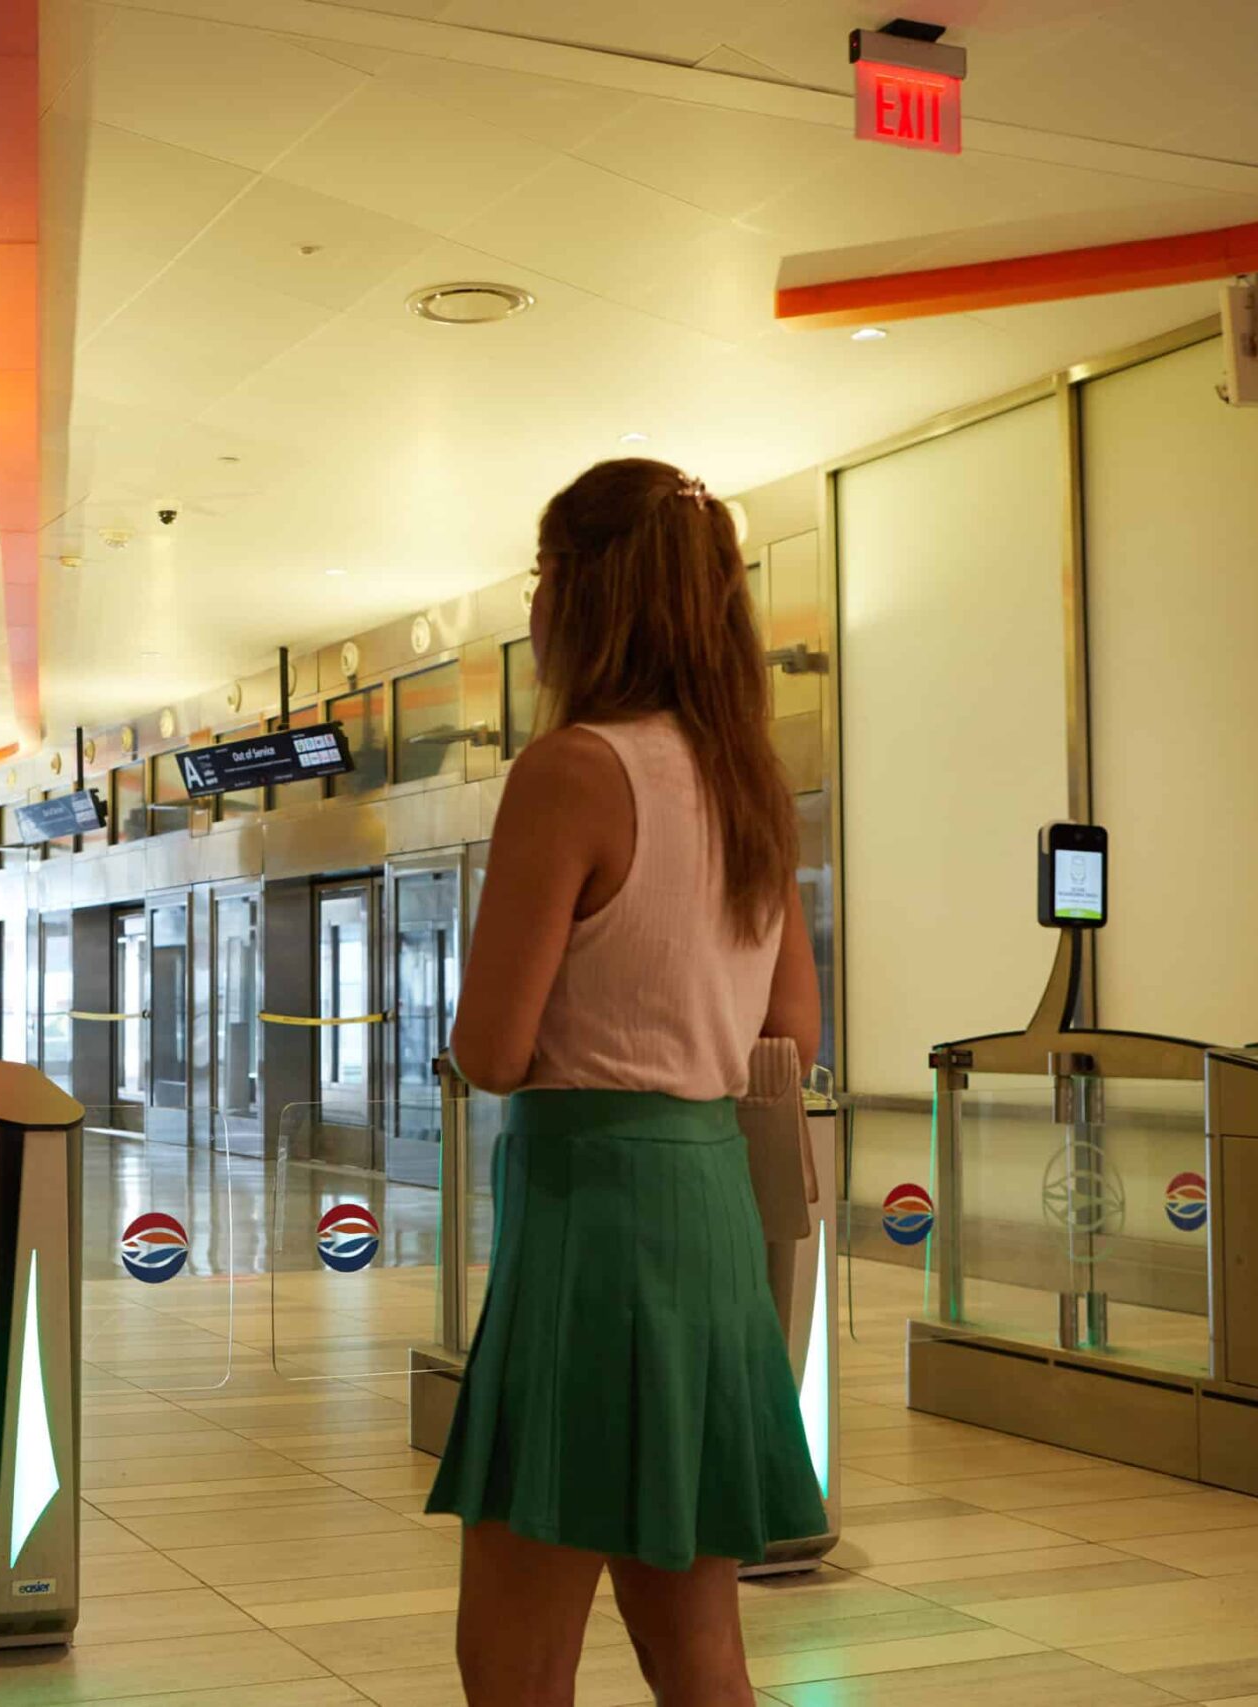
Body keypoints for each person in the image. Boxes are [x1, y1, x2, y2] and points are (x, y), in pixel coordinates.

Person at [427, 459, 824, 1705]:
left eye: (545, 572)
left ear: (591, 592)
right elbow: (791, 1033)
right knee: (697, 1642)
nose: (535, 603)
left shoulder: (572, 771)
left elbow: (488, 1050)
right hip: (705, 1220)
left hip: (587, 1228)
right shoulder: (749, 785)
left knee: (514, 1649)